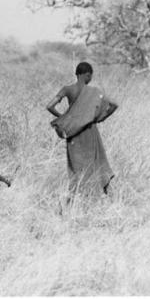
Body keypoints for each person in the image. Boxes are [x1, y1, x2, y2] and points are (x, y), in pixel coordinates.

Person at [47, 62, 118, 211]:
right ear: (88, 75)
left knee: (76, 170)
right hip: (90, 133)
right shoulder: (94, 91)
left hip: (73, 135)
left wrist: (66, 118)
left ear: (76, 74)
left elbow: (49, 106)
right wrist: (99, 118)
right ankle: (105, 203)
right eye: (91, 75)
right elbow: (113, 104)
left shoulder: (67, 89)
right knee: (96, 166)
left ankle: (69, 206)